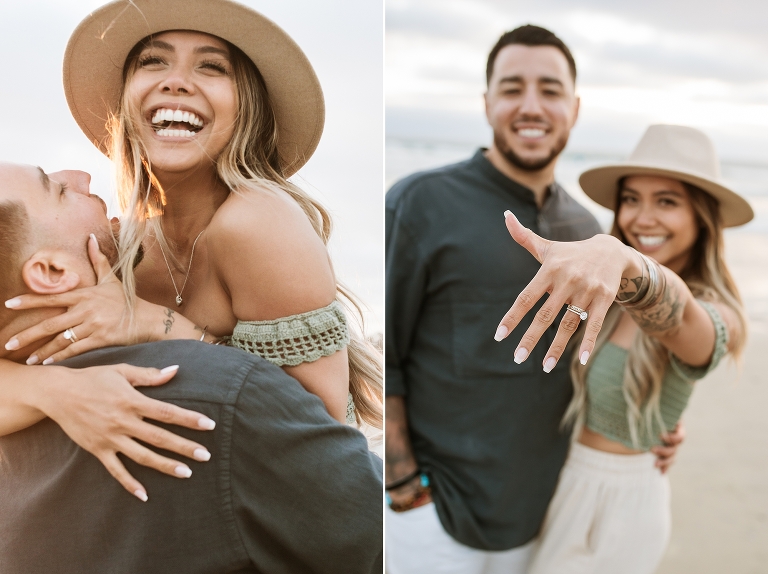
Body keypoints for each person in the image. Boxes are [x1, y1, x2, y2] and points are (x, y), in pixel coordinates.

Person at [1, 0, 382, 498]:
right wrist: (59, 392)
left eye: (211, 66)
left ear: (245, 106)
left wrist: (155, 325)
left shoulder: (258, 223)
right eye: (153, 61)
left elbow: (320, 433)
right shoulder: (119, 242)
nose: (176, 81)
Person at [385, 25, 682, 573]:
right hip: (436, 517)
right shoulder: (419, 203)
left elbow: (605, 358)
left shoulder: (588, 230)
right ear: (486, 102)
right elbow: (385, 358)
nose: (530, 106)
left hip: (548, 513)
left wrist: (660, 419)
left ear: (574, 106)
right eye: (512, 87)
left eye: (549, 90)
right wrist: (402, 483)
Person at [0, 162, 383, 574]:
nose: (80, 176)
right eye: (56, 190)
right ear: (52, 272)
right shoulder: (216, 397)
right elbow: (378, 523)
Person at [492, 124, 750, 573]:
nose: (641, 218)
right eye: (632, 199)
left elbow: (683, 318)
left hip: (622, 506)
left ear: (701, 216)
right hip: (565, 481)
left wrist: (627, 260)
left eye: (666, 201)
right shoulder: (606, 293)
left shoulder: (719, 312)